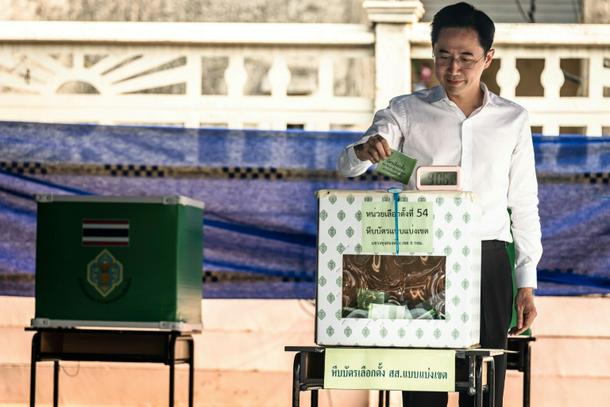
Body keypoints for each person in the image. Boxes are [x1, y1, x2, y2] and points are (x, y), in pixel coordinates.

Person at [337, 2, 542, 406]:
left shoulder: (513, 120)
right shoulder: (405, 111)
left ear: (488, 58)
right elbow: (348, 166)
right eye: (444, 56)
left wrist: (526, 282)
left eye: (466, 57)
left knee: (483, 387)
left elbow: (523, 203)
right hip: (422, 261)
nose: (454, 68)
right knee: (423, 383)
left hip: (488, 260)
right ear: (433, 53)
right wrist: (365, 150)